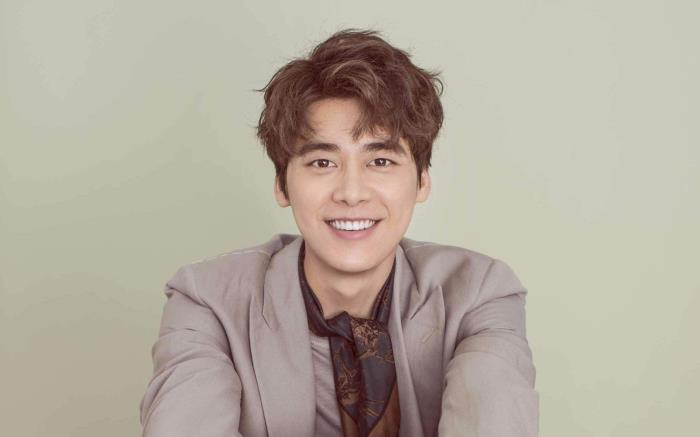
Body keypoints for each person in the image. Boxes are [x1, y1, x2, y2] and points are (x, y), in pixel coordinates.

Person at [139, 28, 538, 437]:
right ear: (282, 185)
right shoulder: (208, 301)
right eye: (322, 163)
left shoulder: (478, 295)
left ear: (421, 182)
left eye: (380, 161)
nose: (351, 192)